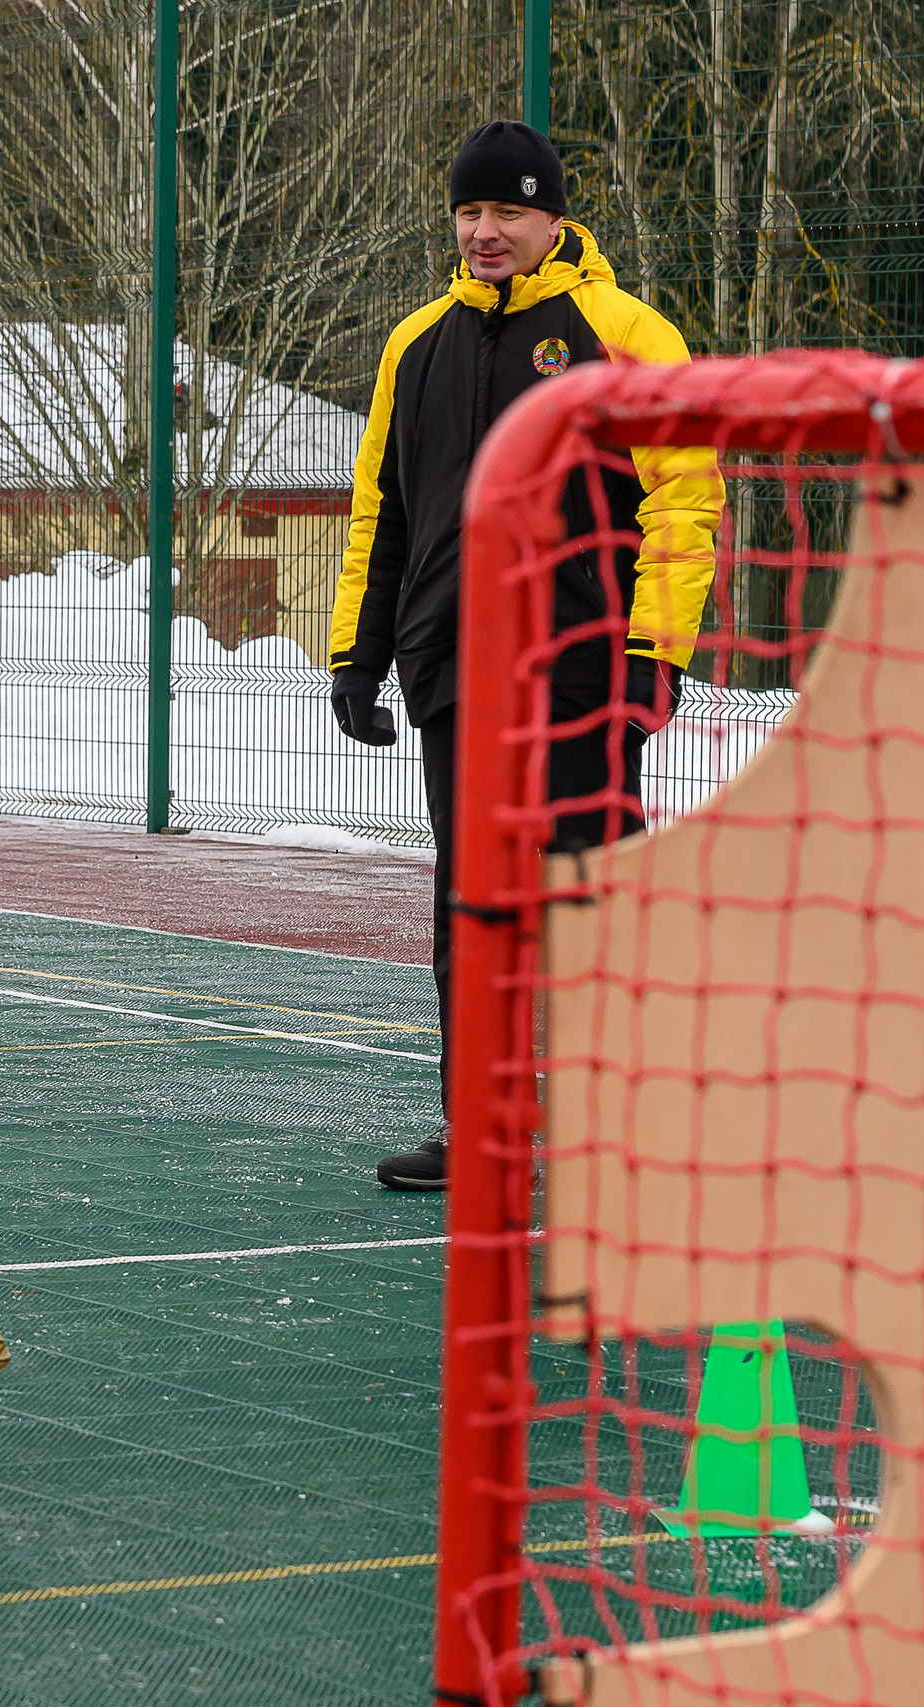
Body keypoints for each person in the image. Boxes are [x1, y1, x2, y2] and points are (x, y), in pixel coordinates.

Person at [327, 122, 721, 1192]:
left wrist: (656, 654)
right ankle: (481, 1127)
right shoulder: (415, 343)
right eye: (469, 212)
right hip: (454, 669)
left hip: (584, 670)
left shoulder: (629, 334)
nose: (485, 231)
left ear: (553, 217)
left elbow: (683, 502)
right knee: (472, 901)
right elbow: (382, 511)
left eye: (506, 211)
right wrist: (356, 659)